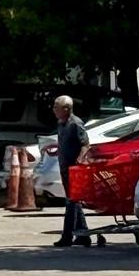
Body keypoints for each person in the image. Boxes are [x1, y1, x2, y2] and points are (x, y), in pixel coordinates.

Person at [52, 95, 91, 248]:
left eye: (57, 107)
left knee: (71, 202)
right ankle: (83, 235)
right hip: (64, 167)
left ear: (66, 109)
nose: (54, 110)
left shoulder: (76, 123)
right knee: (74, 201)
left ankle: (67, 236)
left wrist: (80, 158)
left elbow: (85, 144)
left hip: (74, 168)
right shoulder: (60, 124)